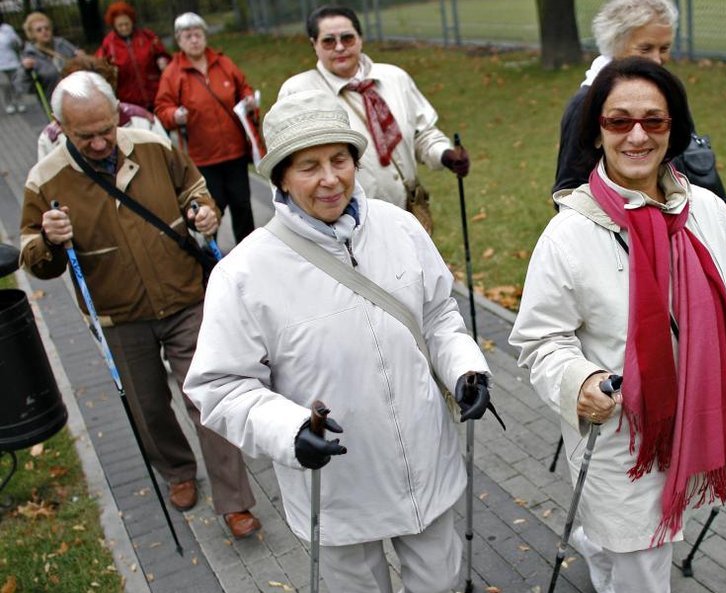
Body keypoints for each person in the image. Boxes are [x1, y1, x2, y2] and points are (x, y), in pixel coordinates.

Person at [184, 90, 498, 592]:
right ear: (281, 176)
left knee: (442, 582)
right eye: (309, 166)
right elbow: (220, 387)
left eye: (339, 160)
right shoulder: (243, 273)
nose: (330, 179)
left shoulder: (399, 226)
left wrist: (465, 368)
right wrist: (288, 430)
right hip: (335, 486)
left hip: (425, 463)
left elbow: (438, 314)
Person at [509, 58, 726, 593]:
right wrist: (581, 383)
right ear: (596, 133)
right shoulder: (569, 233)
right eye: (619, 122)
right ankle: (605, 552)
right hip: (623, 435)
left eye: (654, 121)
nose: (637, 135)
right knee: (644, 565)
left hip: (696, 417)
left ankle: (598, 550)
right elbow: (541, 340)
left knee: (640, 546)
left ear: (674, 130)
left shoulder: (707, 211)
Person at [19, 71, 262, 540]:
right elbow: (36, 259)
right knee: (149, 407)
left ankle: (235, 500)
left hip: (186, 297)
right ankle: (178, 470)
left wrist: (203, 211)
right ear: (59, 126)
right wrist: (48, 241)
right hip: (117, 314)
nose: (99, 142)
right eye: (83, 135)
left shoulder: (151, 145)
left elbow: (194, 188)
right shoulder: (44, 177)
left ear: (117, 114)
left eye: (106, 129)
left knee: (208, 399)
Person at [553, 0, 726, 246]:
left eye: (664, 48)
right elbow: (569, 188)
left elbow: (691, 160)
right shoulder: (587, 103)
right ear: (615, 45)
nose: (657, 59)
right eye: (646, 48)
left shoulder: (667, 93)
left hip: (682, 232)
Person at [278, 6, 469, 221]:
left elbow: (422, 134)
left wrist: (445, 154)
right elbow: (286, 164)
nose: (339, 47)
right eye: (329, 41)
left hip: (409, 212)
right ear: (314, 45)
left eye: (347, 38)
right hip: (349, 221)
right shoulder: (299, 92)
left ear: (360, 38)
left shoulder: (395, 78)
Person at [155, 12, 257, 245]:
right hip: (202, 158)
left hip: (235, 152)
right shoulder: (173, 73)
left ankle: (250, 251)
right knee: (213, 208)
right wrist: (175, 116)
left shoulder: (223, 63)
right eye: (187, 35)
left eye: (198, 34)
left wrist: (249, 99)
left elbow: (244, 88)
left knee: (242, 205)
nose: (194, 40)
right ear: (179, 41)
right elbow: (162, 107)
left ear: (205, 36)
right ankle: (212, 255)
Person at [37, 55, 167, 160]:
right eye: (85, 135)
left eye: (106, 130)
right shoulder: (52, 138)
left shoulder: (143, 122)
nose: (98, 145)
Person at [96, 1, 170, 111]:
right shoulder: (108, 44)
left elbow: (164, 55)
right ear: (114, 25)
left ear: (132, 21)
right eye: (120, 25)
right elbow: (99, 68)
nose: (124, 28)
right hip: (130, 103)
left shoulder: (147, 36)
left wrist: (163, 60)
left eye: (127, 24)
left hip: (156, 96)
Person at [14, 12, 81, 102]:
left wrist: (81, 57)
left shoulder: (62, 44)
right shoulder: (30, 55)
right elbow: (21, 87)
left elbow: (80, 64)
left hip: (78, 95)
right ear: (32, 34)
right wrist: (26, 71)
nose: (44, 31)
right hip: (55, 102)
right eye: (39, 30)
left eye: (47, 28)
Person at [0, 12, 26, 114]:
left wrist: (15, 41)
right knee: (5, 85)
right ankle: (9, 104)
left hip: (12, 62)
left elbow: (18, 43)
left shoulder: (7, 29)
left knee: (16, 83)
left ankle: (19, 102)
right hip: (0, 66)